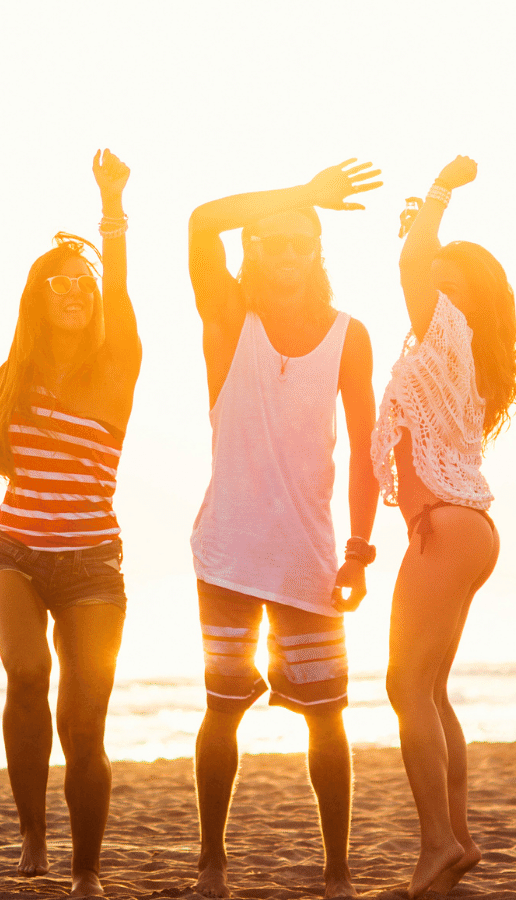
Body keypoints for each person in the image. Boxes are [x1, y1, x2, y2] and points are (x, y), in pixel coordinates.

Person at [0, 150, 141, 897]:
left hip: (92, 561)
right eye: (57, 283)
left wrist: (110, 208)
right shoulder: (15, 370)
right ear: (36, 296)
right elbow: (15, 462)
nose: (74, 293)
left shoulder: (117, 365)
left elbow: (118, 289)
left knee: (85, 722)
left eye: (82, 284)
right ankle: (31, 828)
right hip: (14, 552)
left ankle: (86, 871)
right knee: (28, 672)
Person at [185, 160, 383, 900]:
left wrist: (360, 549)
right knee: (222, 708)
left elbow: (368, 448)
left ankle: (336, 871)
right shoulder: (230, 321)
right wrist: (300, 195)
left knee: (326, 718)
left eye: (302, 238)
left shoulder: (349, 335)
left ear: (318, 252)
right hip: (228, 555)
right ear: (254, 252)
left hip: (310, 560)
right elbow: (202, 221)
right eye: (272, 240)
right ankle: (212, 861)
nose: (288, 250)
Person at [373, 156, 516, 898]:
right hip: (469, 529)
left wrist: (440, 189)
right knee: (429, 690)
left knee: (406, 684)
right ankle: (456, 837)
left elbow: (412, 261)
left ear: (456, 297)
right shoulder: (452, 349)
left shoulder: (445, 329)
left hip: (446, 527)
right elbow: (415, 260)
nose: (428, 279)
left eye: (443, 276)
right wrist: (421, 234)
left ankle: (437, 843)